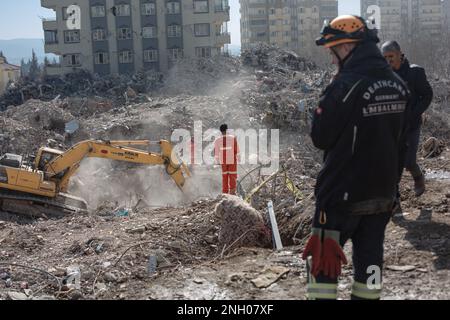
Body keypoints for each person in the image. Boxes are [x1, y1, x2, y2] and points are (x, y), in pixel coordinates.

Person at [302, 15, 410, 300]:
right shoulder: (398, 84)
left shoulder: (345, 86)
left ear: (347, 47)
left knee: (323, 270)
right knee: (370, 268)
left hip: (340, 197)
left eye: (332, 50)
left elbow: (320, 137)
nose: (331, 57)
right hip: (383, 194)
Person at [381, 40, 433, 199]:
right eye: (385, 57)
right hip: (391, 127)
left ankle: (418, 177)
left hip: (411, 125)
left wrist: (414, 113)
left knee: (408, 161)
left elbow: (427, 95)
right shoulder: (384, 75)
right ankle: (394, 197)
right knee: (391, 164)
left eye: (391, 56)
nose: (388, 60)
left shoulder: (415, 72)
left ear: (399, 54)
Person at [214, 124, 239, 195]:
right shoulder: (232, 138)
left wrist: (218, 161)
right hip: (232, 160)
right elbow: (236, 150)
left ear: (220, 131)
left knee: (225, 177)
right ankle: (232, 193)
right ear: (227, 130)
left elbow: (216, 152)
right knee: (232, 176)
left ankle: (225, 193)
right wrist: (238, 158)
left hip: (223, 161)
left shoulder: (217, 140)